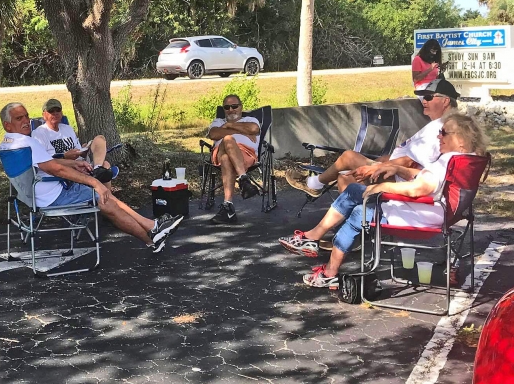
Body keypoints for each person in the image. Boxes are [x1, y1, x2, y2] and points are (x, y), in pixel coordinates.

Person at [278, 113, 488, 287]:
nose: (438, 136)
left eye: (444, 133)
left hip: (420, 215)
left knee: (359, 212)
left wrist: (382, 187)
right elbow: (426, 179)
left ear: (461, 139)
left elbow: (420, 188)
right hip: (432, 211)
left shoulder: (449, 160)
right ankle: (314, 239)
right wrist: (397, 169)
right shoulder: (465, 159)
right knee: (354, 191)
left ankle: (328, 271)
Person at [0, 102, 184, 253]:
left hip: (35, 194)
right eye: (19, 118)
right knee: (106, 199)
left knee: (107, 200)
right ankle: (152, 229)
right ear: (7, 125)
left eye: (26, 116)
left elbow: (47, 163)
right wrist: (95, 182)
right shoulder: (29, 141)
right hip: (54, 195)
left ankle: (152, 234)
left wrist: (73, 163)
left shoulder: (7, 144)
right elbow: (56, 170)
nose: (26, 121)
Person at [285, 78, 460, 197]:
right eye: (423, 97)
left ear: (445, 101)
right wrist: (381, 161)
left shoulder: (441, 130)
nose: (424, 101)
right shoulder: (437, 125)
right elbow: (404, 155)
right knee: (345, 178)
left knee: (349, 157)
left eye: (428, 97)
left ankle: (313, 184)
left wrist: (378, 167)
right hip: (392, 170)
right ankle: (358, 228)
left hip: (400, 177)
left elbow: (409, 162)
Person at [31, 98, 118, 186]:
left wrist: (84, 150)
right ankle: (100, 184)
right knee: (106, 168)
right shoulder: (39, 134)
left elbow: (79, 151)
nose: (55, 113)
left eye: (58, 110)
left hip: (82, 164)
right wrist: (65, 156)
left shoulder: (67, 128)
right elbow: (46, 162)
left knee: (100, 140)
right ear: (44, 115)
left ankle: (97, 169)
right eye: (51, 111)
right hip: (66, 169)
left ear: (61, 113)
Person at [206, 94, 261, 225]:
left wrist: (229, 125)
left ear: (241, 107)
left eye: (234, 106)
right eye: (227, 107)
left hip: (246, 154)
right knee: (228, 139)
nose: (231, 110)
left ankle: (228, 207)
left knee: (226, 158)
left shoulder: (250, 119)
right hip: (219, 152)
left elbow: (254, 129)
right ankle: (243, 179)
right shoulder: (218, 122)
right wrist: (242, 131)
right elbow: (213, 134)